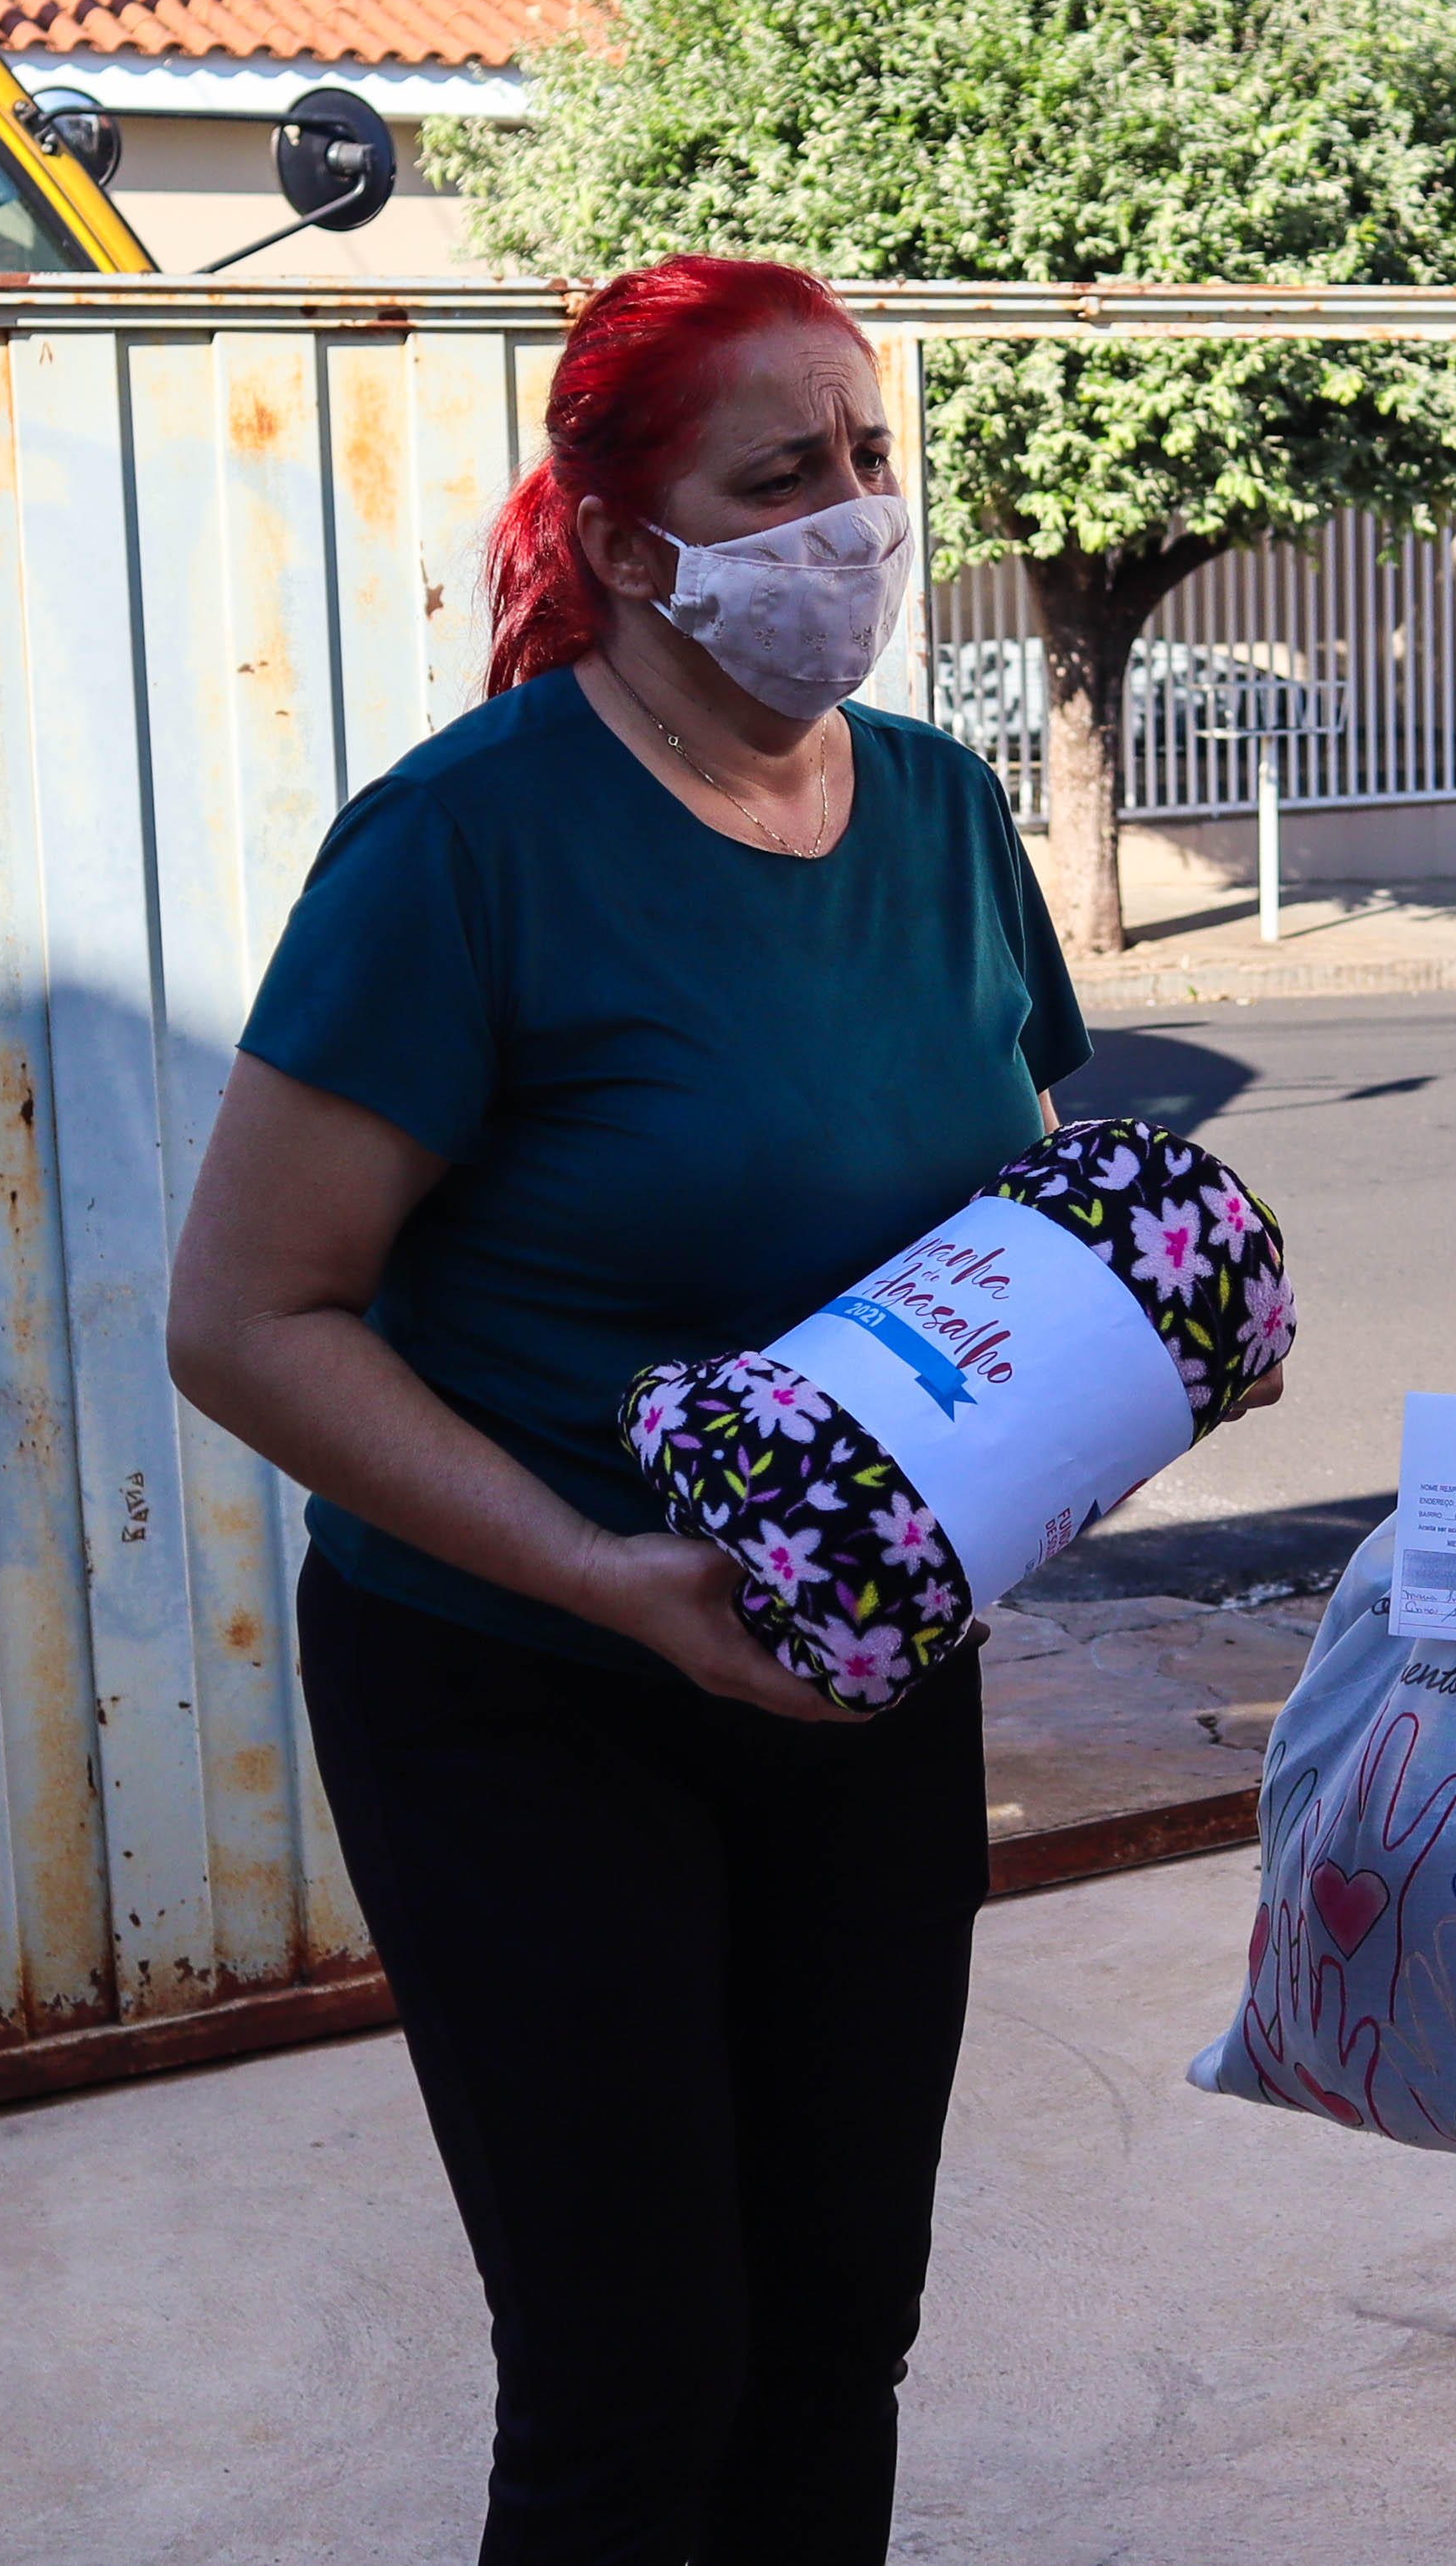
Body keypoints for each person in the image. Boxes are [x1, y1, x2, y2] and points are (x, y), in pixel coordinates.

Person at [166, 256, 1264, 2563]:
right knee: (632, 2366)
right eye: (783, 477)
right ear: (634, 539)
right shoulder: (464, 843)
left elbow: (1017, 1220)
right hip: (530, 1678)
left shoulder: (948, 819)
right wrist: (596, 1570)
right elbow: (249, 1316)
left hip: (864, 1680)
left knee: (836, 2314)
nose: (854, 518)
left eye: (869, 459)